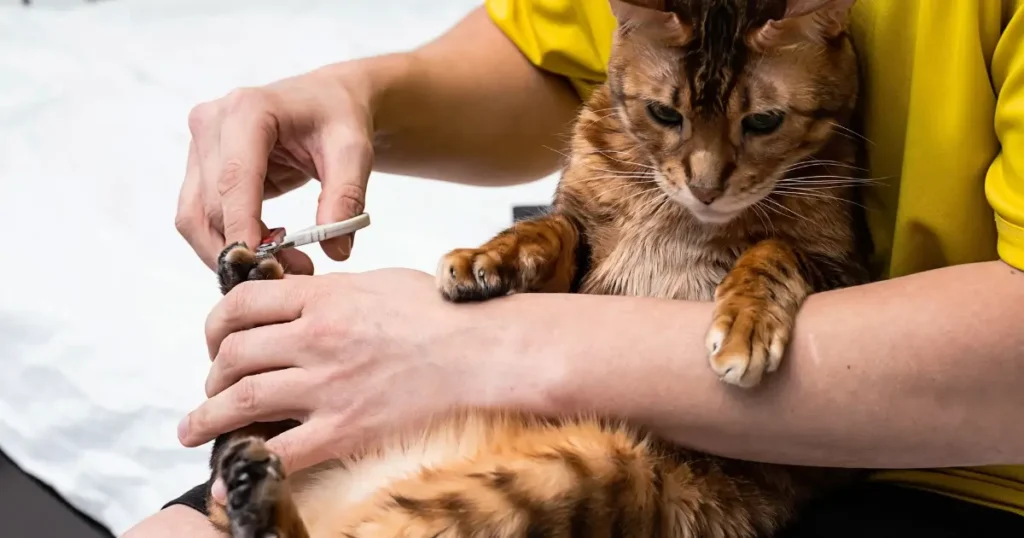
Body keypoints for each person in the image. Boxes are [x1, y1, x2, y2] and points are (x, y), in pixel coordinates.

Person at [124, 0, 1024, 536]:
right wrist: (353, 94)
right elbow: (551, 52)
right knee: (182, 525)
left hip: (960, 467)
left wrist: (490, 351)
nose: (707, 179)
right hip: (588, 358)